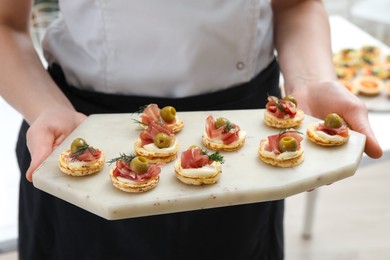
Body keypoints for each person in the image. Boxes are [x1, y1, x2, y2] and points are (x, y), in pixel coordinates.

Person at [0, 0, 383, 259]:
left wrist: (312, 81)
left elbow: (296, 4)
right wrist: (45, 108)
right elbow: (6, 22)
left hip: (243, 140)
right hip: (81, 128)